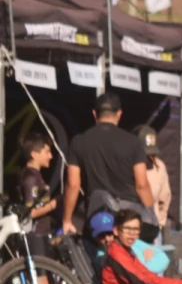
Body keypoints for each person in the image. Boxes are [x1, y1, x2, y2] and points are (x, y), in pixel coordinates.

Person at [62, 92, 155, 240]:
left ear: (94, 113)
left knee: (97, 260)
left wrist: (67, 220)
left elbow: (72, 185)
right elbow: (142, 185)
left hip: (99, 217)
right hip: (128, 219)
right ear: (119, 114)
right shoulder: (134, 143)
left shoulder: (79, 142)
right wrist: (152, 217)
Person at [17, 133, 57, 284]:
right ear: (34, 154)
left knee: (47, 282)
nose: (51, 156)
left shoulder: (35, 175)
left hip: (42, 233)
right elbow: (31, 212)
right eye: (47, 151)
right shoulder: (31, 177)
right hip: (35, 236)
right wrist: (53, 205)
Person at [136, 126, 172, 235]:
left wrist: (159, 223)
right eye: (145, 154)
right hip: (130, 229)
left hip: (152, 228)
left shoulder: (159, 166)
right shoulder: (127, 165)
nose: (149, 157)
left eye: (151, 154)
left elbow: (165, 197)